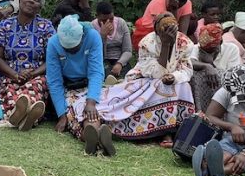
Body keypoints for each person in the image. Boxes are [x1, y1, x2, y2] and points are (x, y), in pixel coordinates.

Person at [72, 12, 195, 147]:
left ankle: (173, 131)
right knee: (159, 85)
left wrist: (174, 77)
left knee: (183, 86)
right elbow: (156, 73)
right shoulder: (147, 43)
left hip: (171, 83)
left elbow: (187, 70)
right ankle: (101, 131)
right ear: (156, 31)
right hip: (145, 80)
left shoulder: (185, 43)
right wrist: (165, 44)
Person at [0, 0, 55, 130]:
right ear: (19, 1)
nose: (31, 1)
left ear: (39, 7)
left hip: (36, 74)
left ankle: (18, 115)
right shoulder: (5, 25)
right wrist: (15, 75)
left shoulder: (46, 26)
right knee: (9, 88)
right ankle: (26, 117)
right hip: (9, 73)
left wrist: (32, 74)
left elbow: (52, 60)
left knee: (34, 87)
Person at [46, 15, 109, 155]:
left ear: (82, 36)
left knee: (97, 109)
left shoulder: (93, 36)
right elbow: (54, 81)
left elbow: (96, 72)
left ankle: (96, 135)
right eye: (67, 49)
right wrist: (62, 115)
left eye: (75, 47)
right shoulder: (53, 43)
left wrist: (91, 101)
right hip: (69, 89)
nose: (71, 51)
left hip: (91, 85)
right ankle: (93, 137)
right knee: (74, 113)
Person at [188, 22, 240, 112]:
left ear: (221, 42)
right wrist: (207, 66)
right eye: (204, 50)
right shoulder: (196, 48)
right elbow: (189, 63)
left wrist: (211, 64)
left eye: (211, 50)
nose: (208, 53)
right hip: (201, 93)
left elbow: (233, 75)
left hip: (223, 91)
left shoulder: (232, 49)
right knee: (195, 75)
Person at [91, 1, 132, 80]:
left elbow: (128, 50)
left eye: (111, 19)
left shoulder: (121, 23)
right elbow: (96, 54)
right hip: (102, 60)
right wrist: (102, 37)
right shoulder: (92, 27)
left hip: (120, 58)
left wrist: (120, 63)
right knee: (106, 76)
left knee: (127, 78)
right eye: (104, 20)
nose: (108, 22)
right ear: (97, 17)